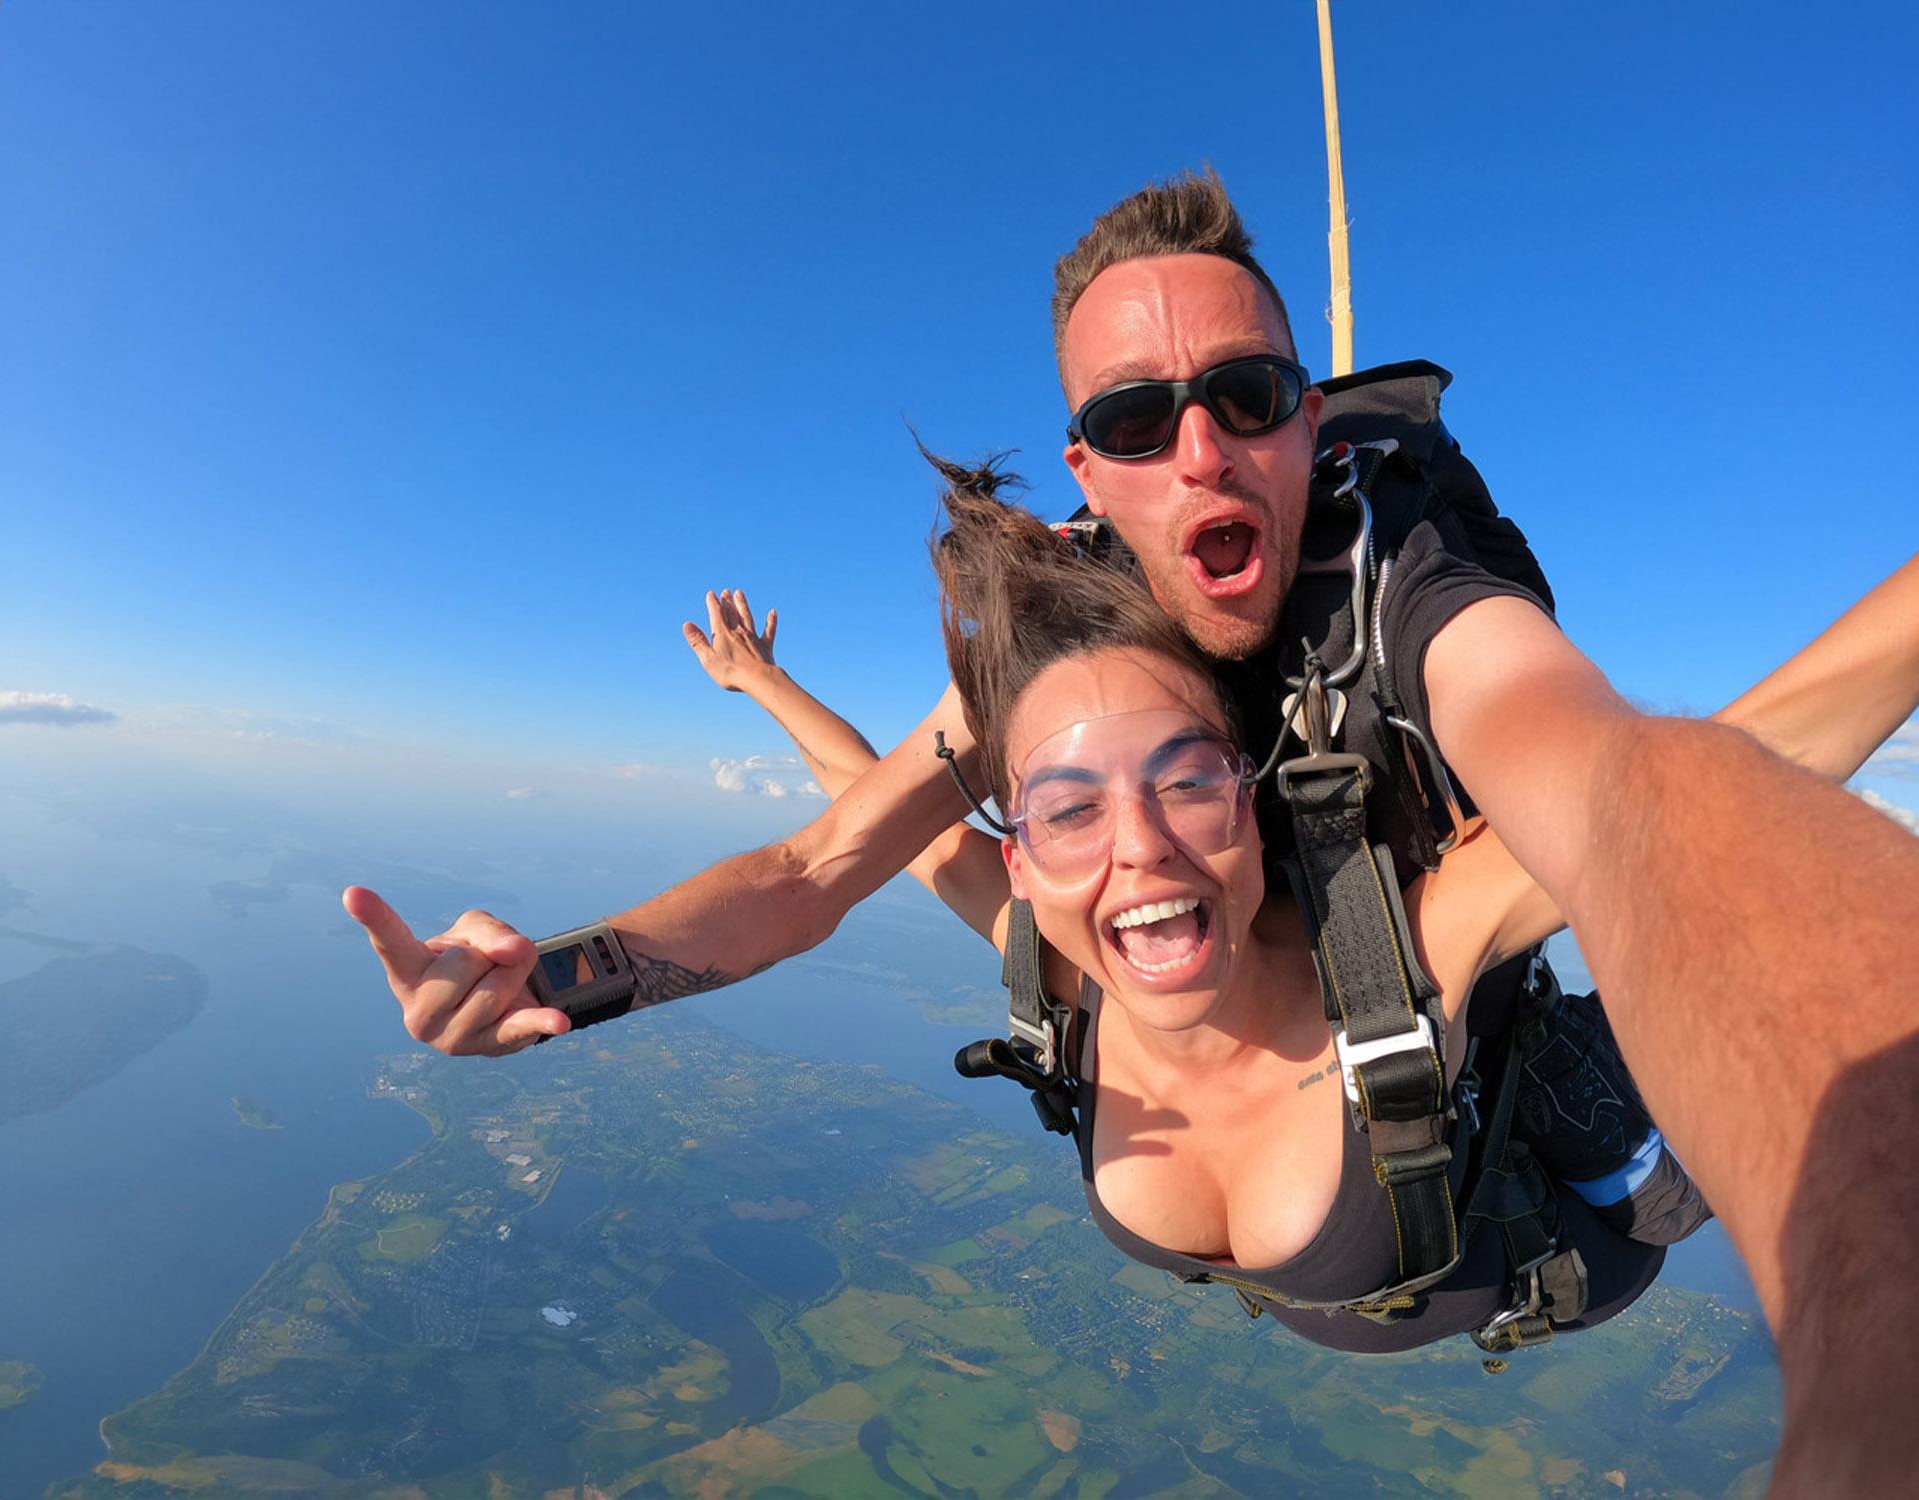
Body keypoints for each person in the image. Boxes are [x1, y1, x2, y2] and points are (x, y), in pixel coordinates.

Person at [348, 173, 1919, 1481]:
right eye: (1138, 415)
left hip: (1537, 1211)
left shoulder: (1409, 638)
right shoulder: (1064, 778)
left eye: (1247, 397)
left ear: (1308, 423)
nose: (1204, 451)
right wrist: (562, 971)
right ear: (1086, 472)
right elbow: (831, 858)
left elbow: (1653, 789)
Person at [681, 473, 1914, 1352]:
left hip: (1572, 1255)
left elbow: (1739, 762)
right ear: (1028, 864)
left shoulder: (1399, 963)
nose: (1139, 853)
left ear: (1250, 811)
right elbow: (887, 822)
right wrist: (764, 685)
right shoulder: (1061, 971)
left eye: (1189, 785)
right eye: (1067, 812)